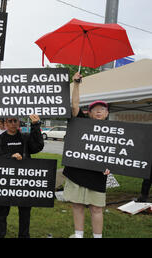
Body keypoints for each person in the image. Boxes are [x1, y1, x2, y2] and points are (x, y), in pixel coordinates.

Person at [63, 72, 111, 238]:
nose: (98, 112)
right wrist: (76, 84)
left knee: (96, 208)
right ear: (89, 113)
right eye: (95, 109)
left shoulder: (114, 132)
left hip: (97, 174)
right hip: (77, 171)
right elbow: (75, 107)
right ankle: (78, 235)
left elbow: (120, 154)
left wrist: (111, 167)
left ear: (106, 113)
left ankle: (97, 236)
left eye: (102, 109)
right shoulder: (81, 122)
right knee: (77, 205)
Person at [0, 114, 44, 238]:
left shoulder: (25, 137)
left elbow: (38, 146)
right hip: (6, 183)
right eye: (10, 121)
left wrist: (36, 125)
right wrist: (10, 157)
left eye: (16, 121)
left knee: (25, 211)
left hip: (23, 182)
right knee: (2, 210)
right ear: (5, 124)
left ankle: (24, 235)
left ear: (19, 123)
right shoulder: (0, 139)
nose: (13, 123)